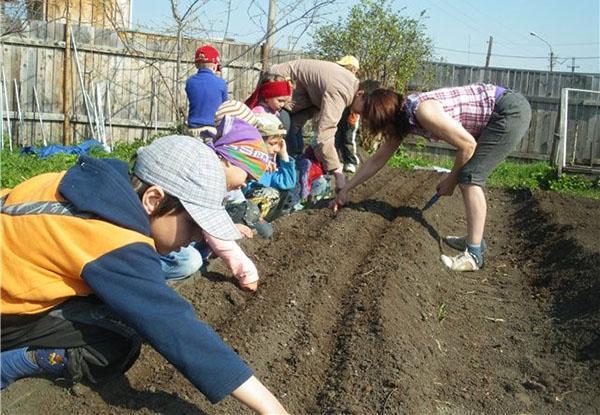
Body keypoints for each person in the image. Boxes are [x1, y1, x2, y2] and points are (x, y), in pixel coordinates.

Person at [0, 135, 288, 414]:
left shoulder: (83, 186)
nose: (198, 236)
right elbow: (175, 327)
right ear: (153, 199)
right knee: (120, 341)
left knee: (115, 306)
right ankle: (10, 363)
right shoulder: (114, 240)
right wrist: (269, 407)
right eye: (192, 224)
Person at [333, 83, 532, 272]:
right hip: (499, 109)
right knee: (468, 175)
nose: (383, 132)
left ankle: (474, 255)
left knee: (470, 178)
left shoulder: (423, 111)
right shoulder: (402, 118)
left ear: (387, 118)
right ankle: (475, 240)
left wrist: (450, 181)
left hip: (507, 111)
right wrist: (346, 189)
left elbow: (468, 146)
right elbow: (377, 160)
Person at [160, 117, 271, 290]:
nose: (244, 184)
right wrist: (247, 272)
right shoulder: (205, 178)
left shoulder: (212, 174)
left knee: (202, 247)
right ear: (228, 160)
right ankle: (149, 277)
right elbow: (215, 235)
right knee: (191, 261)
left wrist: (229, 226)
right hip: (150, 238)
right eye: (247, 176)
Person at [267, 59, 379, 191]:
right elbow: (324, 137)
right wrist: (338, 173)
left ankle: (292, 186)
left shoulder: (350, 85)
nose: (363, 114)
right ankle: (277, 185)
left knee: (295, 143)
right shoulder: (342, 91)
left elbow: (313, 105)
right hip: (280, 83)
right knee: (282, 133)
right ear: (360, 94)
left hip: (299, 97)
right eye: (365, 109)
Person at [244, 113, 298, 221]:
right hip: (243, 211)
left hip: (260, 217)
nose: (277, 149)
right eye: (272, 143)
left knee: (283, 192)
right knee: (269, 193)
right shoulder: (244, 163)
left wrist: (284, 155)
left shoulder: (269, 168)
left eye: (279, 144)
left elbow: (287, 183)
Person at [185, 44, 228, 140]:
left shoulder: (190, 82)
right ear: (215, 65)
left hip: (193, 129)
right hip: (212, 130)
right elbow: (225, 107)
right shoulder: (221, 83)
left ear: (196, 64)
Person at [334, 55, 362, 173]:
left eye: (344, 68)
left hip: (351, 115)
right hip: (338, 113)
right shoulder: (338, 82)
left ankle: (351, 161)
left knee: (348, 138)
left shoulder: (356, 84)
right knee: (337, 137)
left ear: (353, 70)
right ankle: (338, 160)